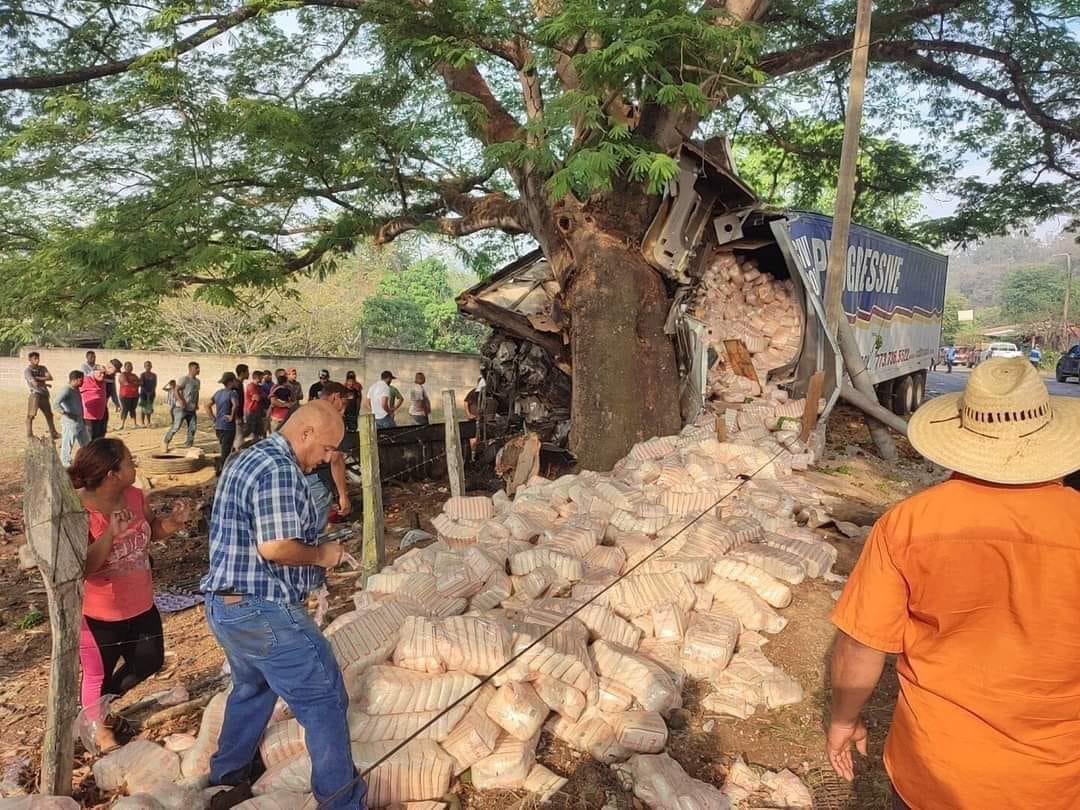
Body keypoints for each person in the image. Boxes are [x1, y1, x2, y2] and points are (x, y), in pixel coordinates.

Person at [826, 357, 1080, 809]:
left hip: (936, 769)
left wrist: (844, 719)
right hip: (1057, 781)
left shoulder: (908, 524)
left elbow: (861, 646)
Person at [200, 401, 365, 810]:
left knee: (253, 689)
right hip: (263, 610)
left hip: (229, 608)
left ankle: (227, 780)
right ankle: (342, 803)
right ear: (305, 434)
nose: (329, 459)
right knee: (324, 698)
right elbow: (275, 547)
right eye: (327, 449)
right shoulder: (278, 469)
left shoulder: (250, 458)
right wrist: (321, 555)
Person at [71, 438, 194, 753]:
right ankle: (100, 730)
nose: (134, 465)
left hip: (141, 604)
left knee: (149, 661)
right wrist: (111, 532)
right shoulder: (78, 510)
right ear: (112, 473)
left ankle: (94, 711)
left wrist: (174, 522)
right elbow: (84, 566)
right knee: (96, 675)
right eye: (129, 461)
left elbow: (151, 532)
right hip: (99, 614)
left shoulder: (136, 496)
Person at [303, 382, 353, 531]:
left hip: (293, 478)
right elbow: (335, 459)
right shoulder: (333, 421)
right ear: (335, 397)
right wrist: (343, 496)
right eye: (343, 405)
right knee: (313, 533)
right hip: (317, 480)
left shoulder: (302, 412)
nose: (343, 412)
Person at [206, 372, 242, 472]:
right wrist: (231, 417)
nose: (236, 382)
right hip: (228, 427)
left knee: (224, 448)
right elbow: (235, 405)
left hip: (218, 427)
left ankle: (220, 467)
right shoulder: (233, 393)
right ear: (231, 382)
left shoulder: (218, 393)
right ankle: (221, 470)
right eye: (235, 380)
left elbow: (207, 405)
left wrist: (214, 419)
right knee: (226, 451)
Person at [163, 361, 201, 451]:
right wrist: (181, 401)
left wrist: (196, 404)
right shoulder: (184, 379)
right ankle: (166, 442)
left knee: (193, 428)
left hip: (191, 409)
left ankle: (189, 445)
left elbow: (197, 393)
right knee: (176, 427)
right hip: (181, 409)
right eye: (197, 368)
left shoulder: (197, 381)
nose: (198, 370)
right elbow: (176, 390)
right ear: (191, 369)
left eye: (198, 368)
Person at [54, 370, 89, 466]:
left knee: (86, 444)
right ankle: (65, 465)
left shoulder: (76, 389)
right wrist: (66, 414)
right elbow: (55, 404)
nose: (83, 382)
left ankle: (88, 461)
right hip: (70, 423)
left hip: (79, 422)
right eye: (81, 380)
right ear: (76, 379)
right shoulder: (67, 390)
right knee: (67, 445)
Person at [25, 351, 59, 440]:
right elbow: (34, 384)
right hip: (35, 394)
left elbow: (50, 377)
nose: (37, 360)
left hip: (44, 394)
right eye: (34, 359)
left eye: (37, 358)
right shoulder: (28, 371)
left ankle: (53, 432)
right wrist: (45, 384)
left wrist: (37, 378)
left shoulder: (43, 368)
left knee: (49, 414)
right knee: (31, 415)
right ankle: (29, 434)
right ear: (30, 360)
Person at [82, 366, 109, 441]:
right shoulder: (85, 380)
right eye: (100, 373)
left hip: (100, 415)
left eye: (104, 373)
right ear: (94, 372)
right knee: (89, 437)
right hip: (88, 416)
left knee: (99, 437)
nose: (102, 375)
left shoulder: (103, 382)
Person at [242, 370, 268, 446]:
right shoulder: (251, 386)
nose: (263, 379)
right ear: (257, 378)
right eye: (262, 377)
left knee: (258, 430)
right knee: (249, 429)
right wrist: (262, 396)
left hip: (258, 411)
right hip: (251, 411)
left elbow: (264, 396)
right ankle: (239, 443)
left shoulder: (259, 387)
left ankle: (255, 444)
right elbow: (258, 398)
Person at [341, 371, 362, 459]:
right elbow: (341, 402)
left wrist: (357, 412)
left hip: (353, 413)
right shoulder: (343, 389)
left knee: (352, 430)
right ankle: (345, 449)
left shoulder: (356, 390)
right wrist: (342, 412)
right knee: (343, 431)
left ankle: (352, 450)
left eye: (352, 380)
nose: (351, 382)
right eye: (349, 380)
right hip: (345, 414)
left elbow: (358, 400)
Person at [117, 362, 140, 430]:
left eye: (131, 366)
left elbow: (140, 383)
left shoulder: (134, 375)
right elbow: (125, 383)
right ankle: (121, 425)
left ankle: (135, 424)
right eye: (128, 366)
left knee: (133, 409)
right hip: (125, 395)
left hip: (134, 395)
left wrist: (134, 383)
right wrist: (134, 383)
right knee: (125, 409)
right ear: (125, 367)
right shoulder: (122, 375)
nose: (130, 367)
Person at [138, 361, 157, 427]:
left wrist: (151, 393)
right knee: (143, 408)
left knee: (149, 407)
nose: (148, 367)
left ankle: (148, 422)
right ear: (144, 367)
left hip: (151, 393)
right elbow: (141, 385)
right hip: (143, 394)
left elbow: (154, 385)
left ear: (151, 366)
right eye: (146, 365)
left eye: (149, 365)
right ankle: (142, 423)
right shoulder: (142, 375)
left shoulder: (154, 375)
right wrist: (147, 393)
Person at [234, 364, 250, 438]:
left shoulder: (240, 384)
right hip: (237, 417)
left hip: (239, 415)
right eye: (247, 371)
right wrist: (237, 417)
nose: (249, 374)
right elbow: (235, 402)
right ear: (242, 373)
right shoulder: (237, 385)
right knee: (238, 439)